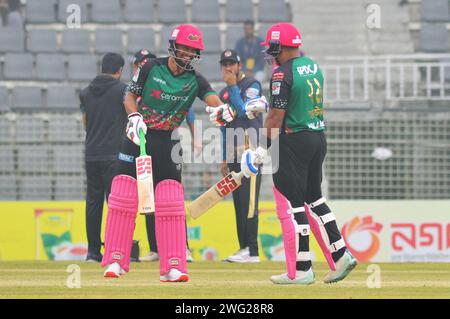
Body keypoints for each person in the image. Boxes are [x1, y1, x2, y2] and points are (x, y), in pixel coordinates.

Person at [101, 24, 235, 282]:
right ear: (174, 47)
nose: (187, 55)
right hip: (138, 136)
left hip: (168, 142)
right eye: (184, 49)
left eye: (192, 51)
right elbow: (129, 96)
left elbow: (214, 100)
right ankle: (115, 260)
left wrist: (224, 110)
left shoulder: (194, 79)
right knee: (124, 195)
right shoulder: (151, 67)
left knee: (171, 202)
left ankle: (173, 264)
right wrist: (135, 116)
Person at [240, 23, 357, 284]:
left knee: (294, 203)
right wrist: (267, 104)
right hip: (317, 137)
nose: (271, 54)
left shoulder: (282, 74)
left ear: (280, 46)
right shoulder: (312, 65)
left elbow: (276, 118)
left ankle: (302, 269)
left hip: (294, 141)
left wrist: (260, 149)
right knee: (315, 198)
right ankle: (340, 253)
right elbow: (295, 101)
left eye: (273, 48)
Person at [130, 49, 194, 263]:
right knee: (148, 193)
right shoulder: (141, 86)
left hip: (170, 140)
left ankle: (182, 247)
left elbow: (189, 110)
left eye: (144, 63)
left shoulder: (168, 82)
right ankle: (155, 247)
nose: (142, 66)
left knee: (172, 195)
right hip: (145, 142)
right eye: (139, 63)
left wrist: (195, 136)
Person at [79, 53, 127, 262]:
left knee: (93, 202)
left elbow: (85, 122)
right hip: (113, 154)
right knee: (115, 204)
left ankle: (92, 251)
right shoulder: (122, 91)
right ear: (120, 70)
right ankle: (115, 249)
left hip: (92, 153)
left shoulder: (86, 92)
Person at [217, 49, 263, 263]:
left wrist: (233, 86)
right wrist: (224, 157)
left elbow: (245, 111)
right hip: (234, 154)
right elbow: (224, 127)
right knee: (238, 202)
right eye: (224, 64)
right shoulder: (222, 94)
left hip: (251, 153)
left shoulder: (252, 85)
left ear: (239, 65)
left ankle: (252, 250)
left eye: (231, 64)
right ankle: (243, 248)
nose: (228, 68)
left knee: (250, 201)